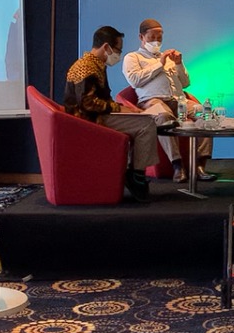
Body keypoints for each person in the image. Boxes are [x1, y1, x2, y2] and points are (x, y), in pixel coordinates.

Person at [64, 25, 159, 199]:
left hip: (96, 116)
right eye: (118, 50)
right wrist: (119, 108)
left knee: (143, 120)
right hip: (87, 121)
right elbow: (87, 104)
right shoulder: (86, 67)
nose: (118, 55)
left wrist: (127, 109)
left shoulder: (96, 65)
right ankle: (136, 175)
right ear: (106, 47)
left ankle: (134, 170)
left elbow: (103, 99)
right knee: (146, 125)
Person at [122, 18, 216, 182]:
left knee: (207, 114)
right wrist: (160, 64)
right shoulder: (133, 57)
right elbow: (135, 80)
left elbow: (185, 83)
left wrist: (179, 64)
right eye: (152, 37)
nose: (156, 41)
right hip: (152, 101)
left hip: (178, 101)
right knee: (164, 117)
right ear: (141, 37)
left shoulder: (170, 57)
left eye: (159, 37)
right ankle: (177, 165)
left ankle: (200, 165)